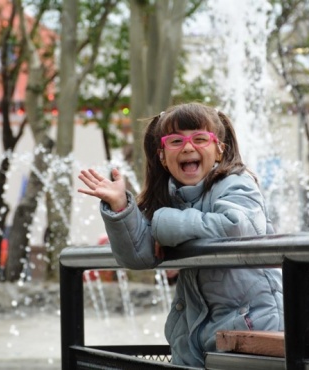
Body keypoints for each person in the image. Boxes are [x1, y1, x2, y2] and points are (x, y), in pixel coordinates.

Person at [78, 102, 283, 367]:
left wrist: (162, 223)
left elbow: (237, 227)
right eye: (176, 141)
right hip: (197, 333)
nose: (188, 147)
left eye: (200, 139)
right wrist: (121, 208)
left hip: (252, 327)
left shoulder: (236, 182)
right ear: (162, 156)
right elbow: (138, 255)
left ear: (219, 149)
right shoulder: (170, 198)